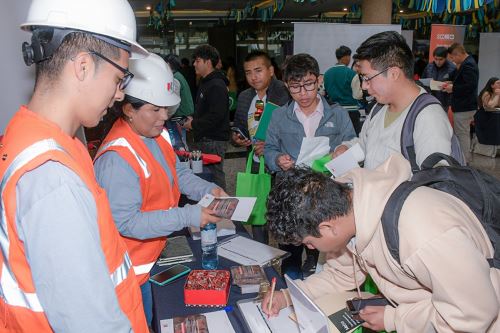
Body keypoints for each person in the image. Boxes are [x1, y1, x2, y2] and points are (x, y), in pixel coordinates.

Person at [0, 0, 150, 332]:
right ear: (82, 66)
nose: (119, 96)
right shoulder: (52, 178)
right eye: (118, 78)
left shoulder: (34, 137)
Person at [262, 159, 499, 332]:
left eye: (309, 243)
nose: (311, 249)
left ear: (327, 228)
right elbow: (340, 275)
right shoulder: (350, 207)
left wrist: (395, 319)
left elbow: (472, 314)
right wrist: (287, 297)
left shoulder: (423, 233)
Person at [94, 53, 226, 325]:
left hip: (156, 254)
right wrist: (189, 216)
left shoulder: (155, 134)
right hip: (134, 274)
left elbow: (175, 172)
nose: (164, 117)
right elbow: (127, 223)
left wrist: (208, 190)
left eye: (166, 109)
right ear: (129, 109)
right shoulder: (116, 158)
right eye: (155, 109)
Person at [264, 53, 356, 278]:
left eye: (309, 85)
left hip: (325, 195)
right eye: (295, 87)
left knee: (321, 254)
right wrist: (277, 160)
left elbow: (353, 144)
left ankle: (317, 286)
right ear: (287, 85)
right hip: (292, 195)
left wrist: (344, 149)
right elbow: (269, 149)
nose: (303, 94)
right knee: (291, 251)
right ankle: (291, 286)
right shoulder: (279, 116)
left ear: (319, 80)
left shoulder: (337, 113)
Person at [333, 31, 453, 170]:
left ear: (394, 73)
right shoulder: (378, 108)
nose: (364, 86)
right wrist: (347, 149)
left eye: (367, 78)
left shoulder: (428, 117)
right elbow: (366, 144)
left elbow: (435, 180)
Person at [232, 50, 290, 244]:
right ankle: (260, 253)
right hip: (256, 163)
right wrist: (237, 138)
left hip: (280, 165)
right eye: (248, 72)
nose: (253, 77)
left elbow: (294, 130)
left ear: (271, 70)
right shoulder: (244, 97)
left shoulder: (285, 94)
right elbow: (239, 127)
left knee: (284, 213)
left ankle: (289, 261)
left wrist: (272, 146)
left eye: (258, 70)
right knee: (258, 214)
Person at [182, 44, 230, 190]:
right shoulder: (207, 82)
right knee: (207, 176)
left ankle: (222, 207)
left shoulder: (216, 85)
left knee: (215, 176)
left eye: (197, 60)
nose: (194, 64)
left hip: (213, 140)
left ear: (208, 62)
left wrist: (194, 124)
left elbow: (216, 116)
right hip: (206, 138)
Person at [444, 43, 479, 159]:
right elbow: (464, 82)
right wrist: (452, 83)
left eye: (452, 58)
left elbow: (470, 86)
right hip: (464, 105)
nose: (452, 61)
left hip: (464, 106)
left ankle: (464, 160)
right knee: (461, 133)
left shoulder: (469, 65)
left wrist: (453, 88)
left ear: (458, 54)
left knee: (462, 134)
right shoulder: (466, 63)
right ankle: (463, 159)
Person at [323, 45, 363, 134]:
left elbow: (323, 92)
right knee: (352, 140)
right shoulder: (351, 74)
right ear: (346, 57)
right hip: (351, 112)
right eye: (349, 57)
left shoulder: (327, 73)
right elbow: (357, 95)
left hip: (333, 111)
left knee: (336, 138)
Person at [164, 54, 194, 149]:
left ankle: (182, 161)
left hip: (178, 115)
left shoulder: (175, 78)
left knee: (178, 142)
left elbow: (175, 102)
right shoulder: (179, 75)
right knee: (182, 140)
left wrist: (166, 115)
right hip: (183, 114)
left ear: (168, 64)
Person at [421, 46, 456, 111]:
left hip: (444, 102)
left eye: (440, 59)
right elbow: (422, 81)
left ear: (446, 58)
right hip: (429, 100)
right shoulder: (429, 66)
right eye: (436, 59)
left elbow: (458, 84)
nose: (438, 62)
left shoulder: (452, 68)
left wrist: (451, 84)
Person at [472, 77, 500, 157]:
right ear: (492, 85)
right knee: (496, 122)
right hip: (484, 116)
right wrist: (497, 95)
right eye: (498, 83)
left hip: (494, 114)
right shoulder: (486, 93)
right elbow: (490, 106)